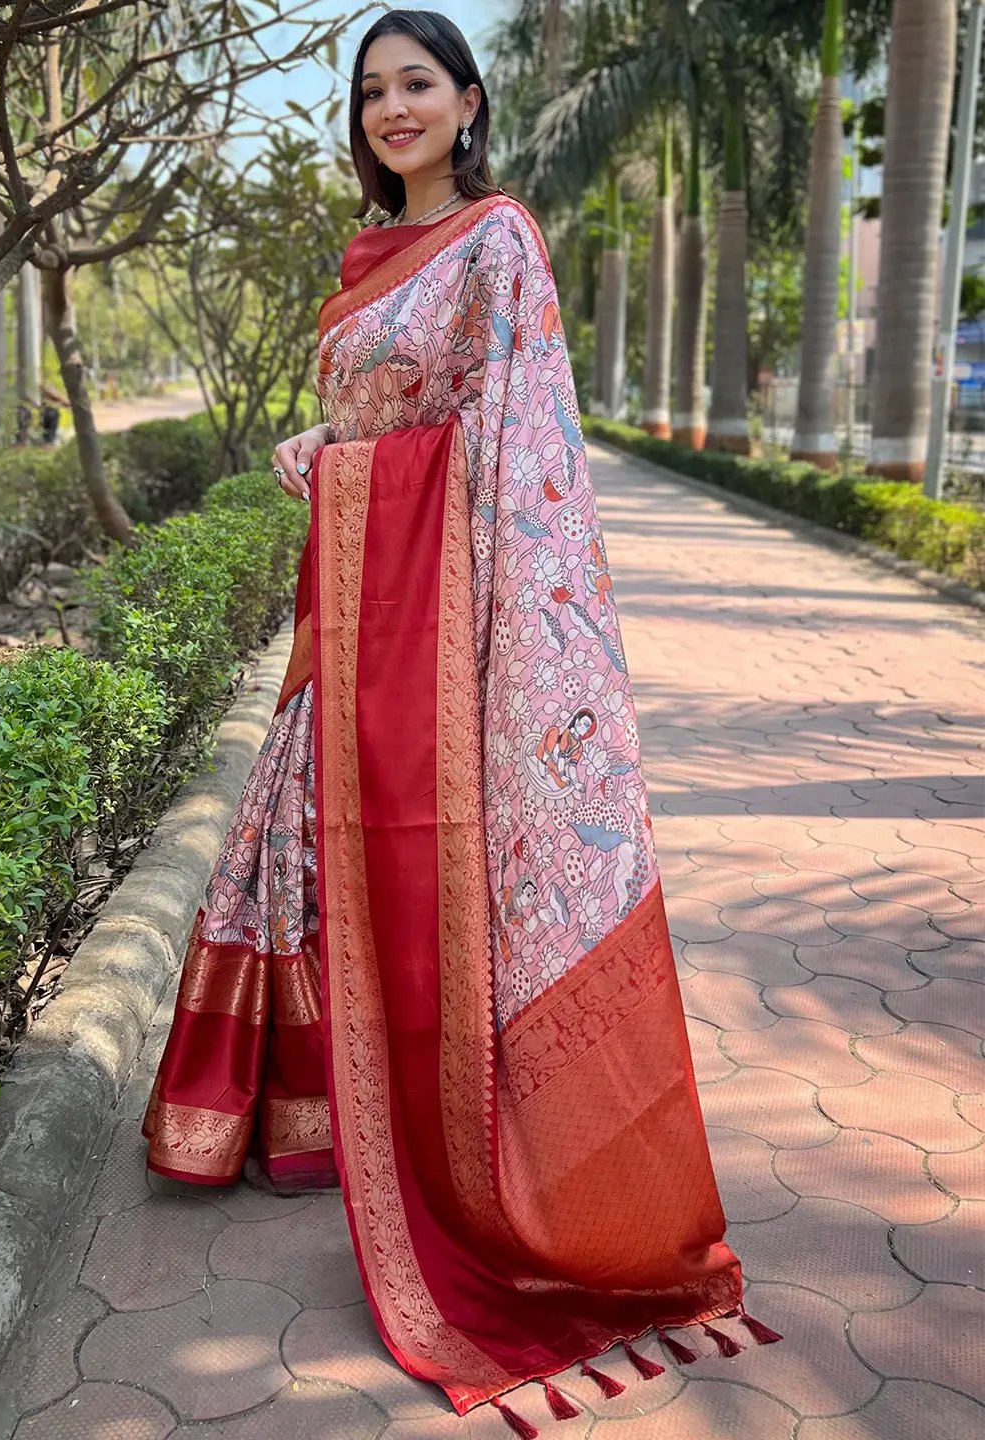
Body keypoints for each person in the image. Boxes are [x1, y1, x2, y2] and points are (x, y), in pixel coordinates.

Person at [144, 9, 778, 1429]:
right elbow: (372, 429)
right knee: (297, 840)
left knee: (437, 873)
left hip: (445, 623)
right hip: (355, 618)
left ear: (469, 99)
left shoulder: (496, 241)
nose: (391, 108)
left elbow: (522, 439)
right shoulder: (360, 265)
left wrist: (381, 491)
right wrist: (323, 454)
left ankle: (484, 1170)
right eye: (369, 91)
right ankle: (299, 1124)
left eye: (415, 83)